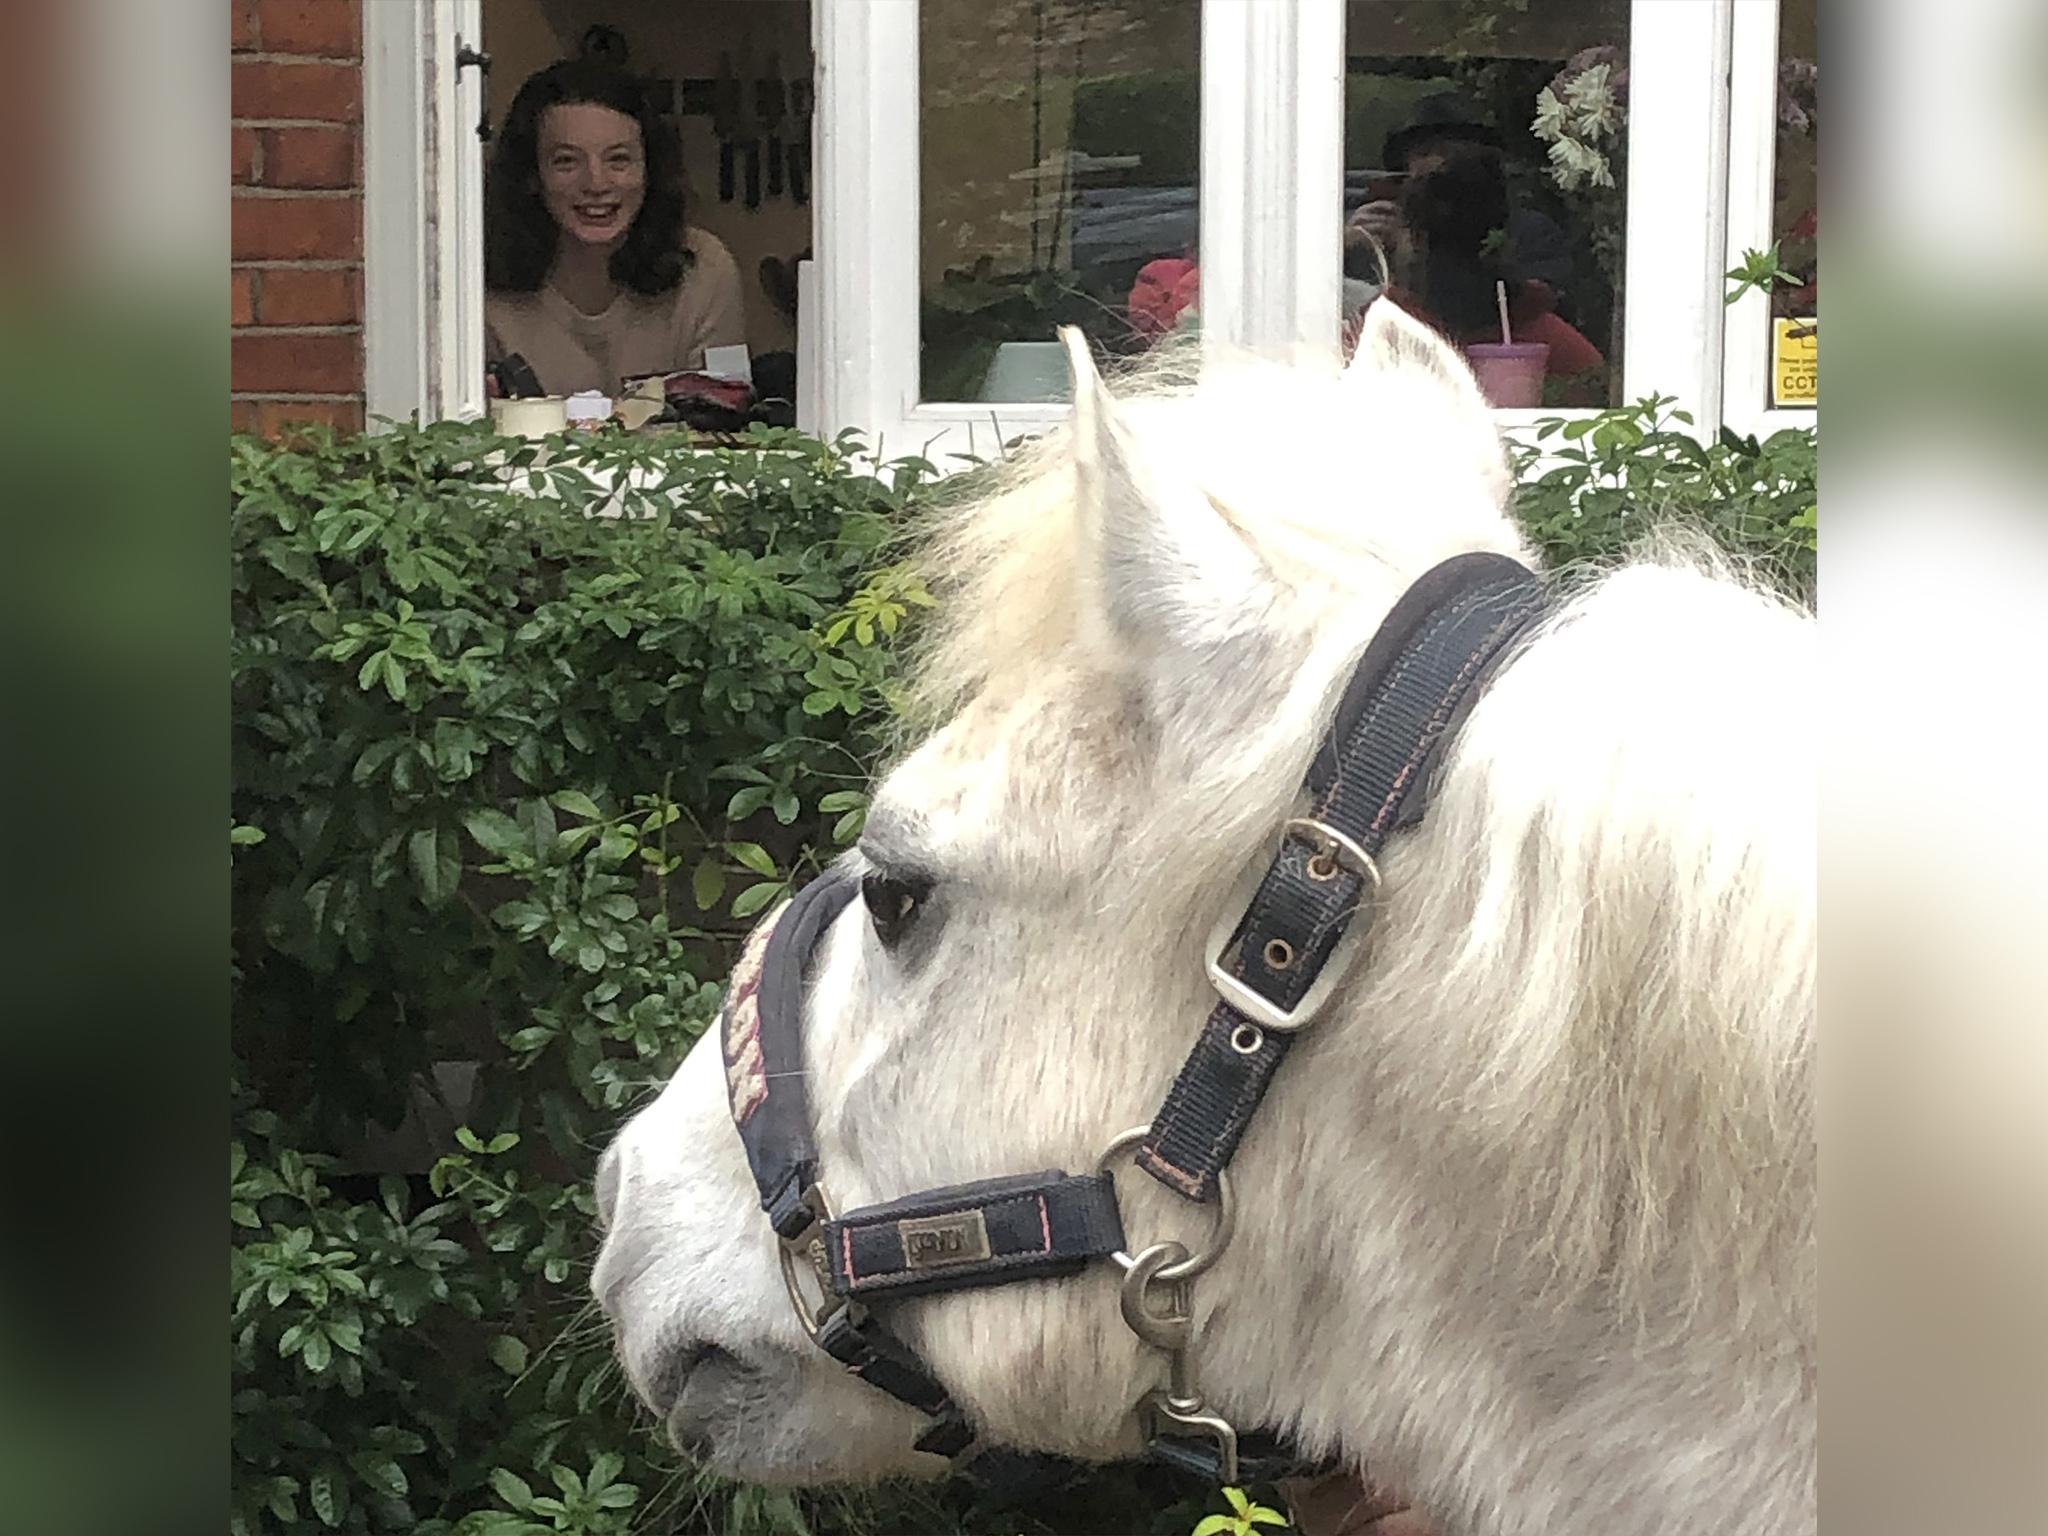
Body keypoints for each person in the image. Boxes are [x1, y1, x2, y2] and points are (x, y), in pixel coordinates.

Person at [485, 59, 745, 398]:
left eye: (618, 159)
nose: (596, 183)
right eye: (566, 161)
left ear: (649, 169)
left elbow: (729, 415)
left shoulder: (704, 268)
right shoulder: (481, 286)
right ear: (532, 175)